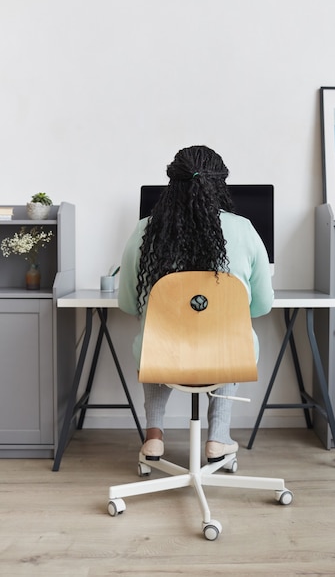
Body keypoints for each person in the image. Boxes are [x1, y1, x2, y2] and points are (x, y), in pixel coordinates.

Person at [118, 145, 274, 462]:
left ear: (172, 186)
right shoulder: (244, 229)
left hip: (162, 356)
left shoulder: (144, 230)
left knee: (154, 340)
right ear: (219, 184)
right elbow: (260, 308)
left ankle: (153, 438)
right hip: (227, 354)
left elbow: (128, 304)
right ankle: (217, 439)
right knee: (235, 339)